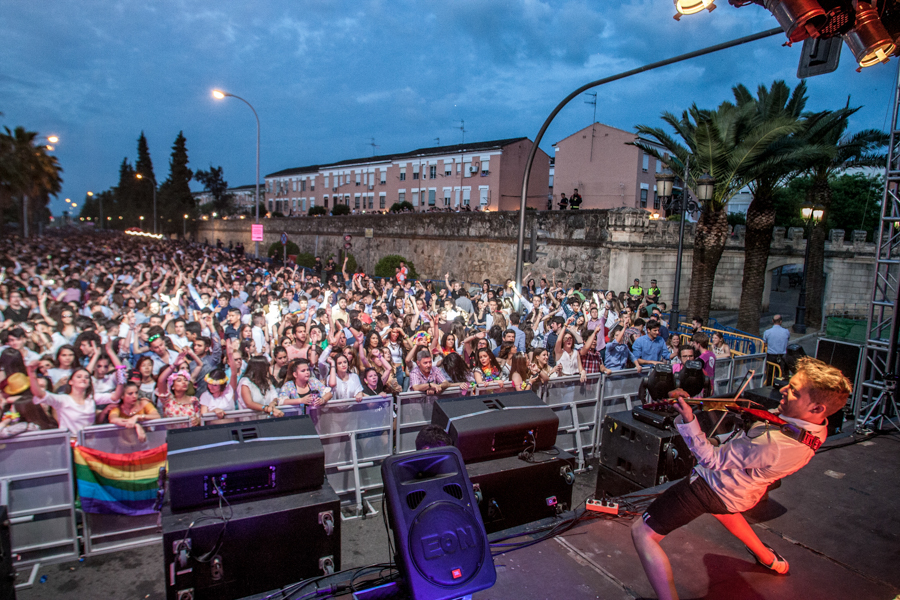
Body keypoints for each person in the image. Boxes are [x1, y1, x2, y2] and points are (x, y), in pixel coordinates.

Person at [631, 358, 851, 599]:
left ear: (817, 408)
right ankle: (769, 559)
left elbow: (711, 460)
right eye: (790, 384)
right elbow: (746, 446)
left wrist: (688, 419)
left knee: (643, 533)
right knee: (725, 509)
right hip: (742, 494)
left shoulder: (773, 445)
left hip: (710, 488)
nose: (784, 390)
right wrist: (718, 438)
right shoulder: (814, 429)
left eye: (794, 392)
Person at [763, 314, 791, 381]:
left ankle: (769, 385)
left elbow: (764, 343)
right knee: (782, 375)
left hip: (771, 356)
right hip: (782, 356)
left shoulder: (767, 332)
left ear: (773, 321)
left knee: (770, 375)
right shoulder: (786, 331)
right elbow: (787, 339)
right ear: (781, 322)